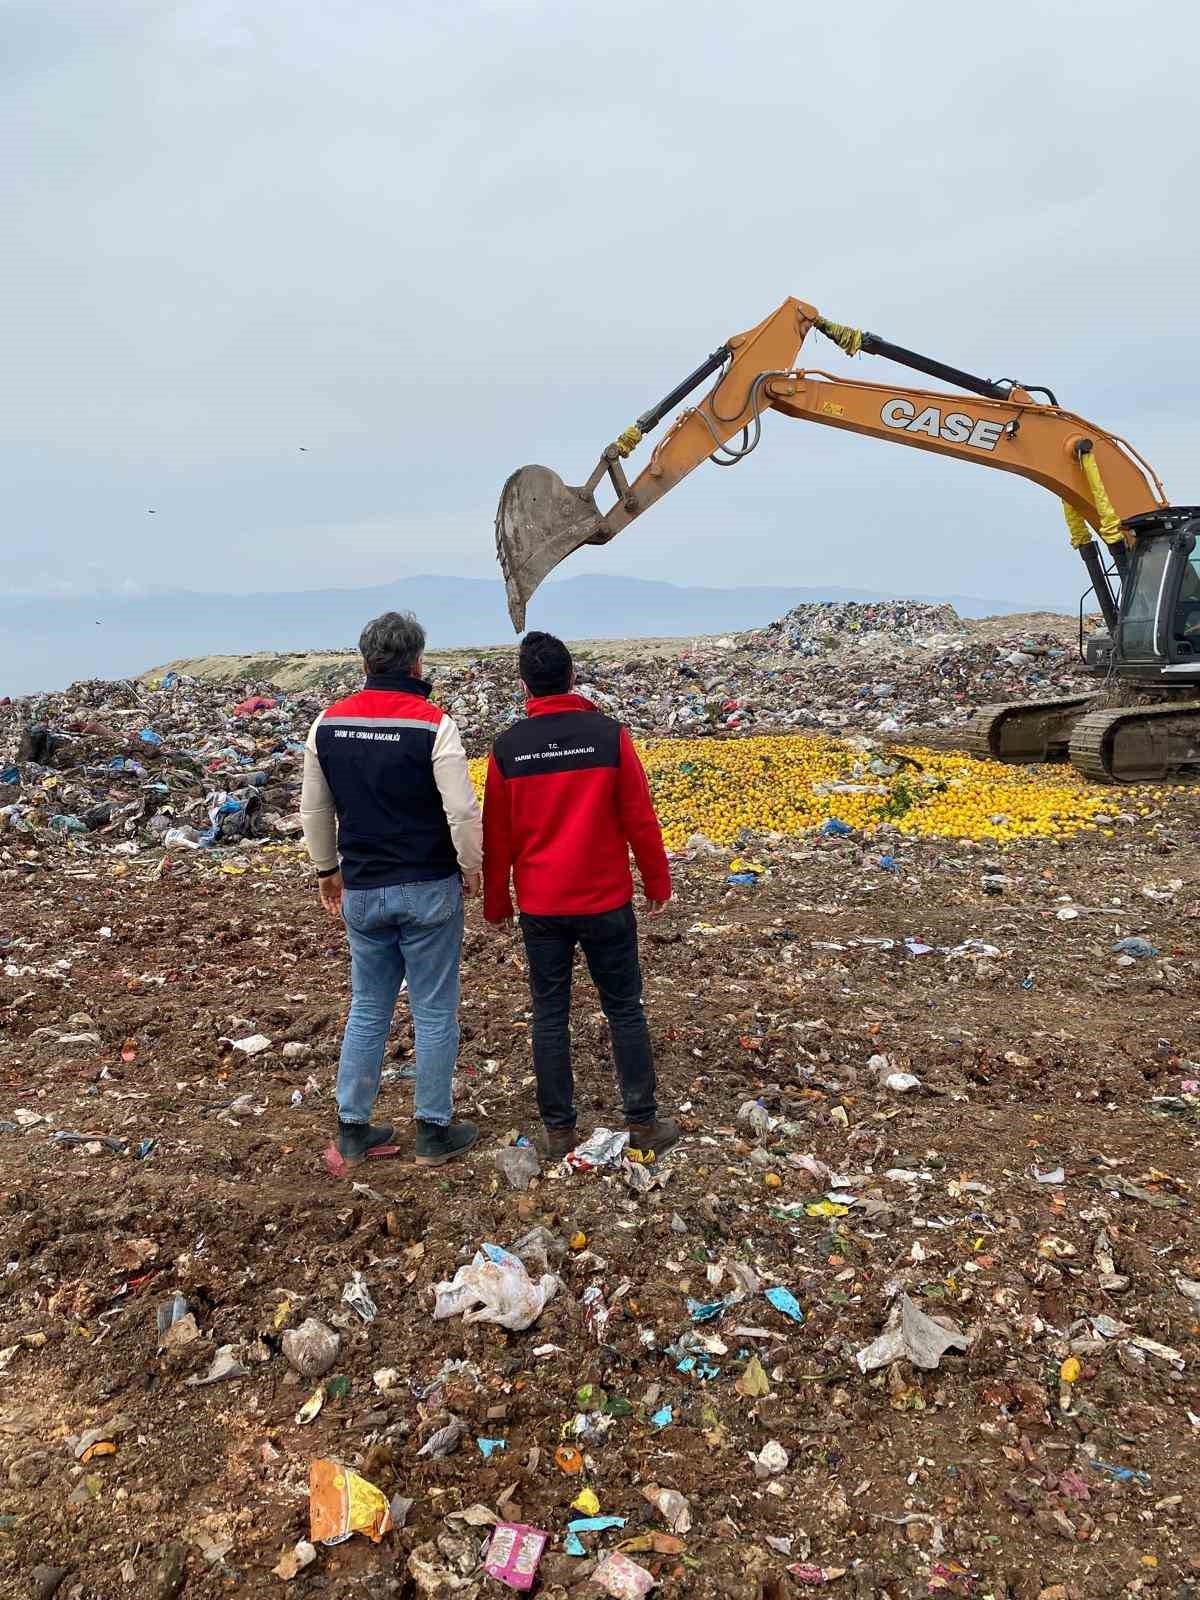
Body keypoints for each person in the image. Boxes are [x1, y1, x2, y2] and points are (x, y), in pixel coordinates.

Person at [482, 631, 678, 1159]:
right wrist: (656, 881)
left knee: (550, 1013)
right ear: (572, 678)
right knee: (624, 1010)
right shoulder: (609, 736)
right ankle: (642, 1123)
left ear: (525, 686)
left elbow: (496, 835)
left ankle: (560, 1131)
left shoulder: (508, 749)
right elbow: (639, 815)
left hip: (543, 906)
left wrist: (497, 904)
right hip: (606, 900)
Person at [300, 610, 482, 1169]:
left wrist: (327, 870)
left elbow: (314, 808)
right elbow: (461, 810)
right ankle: (433, 1128)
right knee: (432, 1011)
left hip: (363, 890)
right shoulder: (435, 723)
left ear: (364, 662)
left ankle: (353, 1129)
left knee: (368, 1008)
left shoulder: (328, 723)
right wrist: (471, 867)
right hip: (428, 886)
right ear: (417, 662)